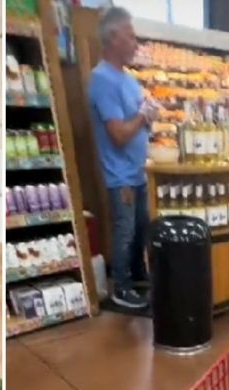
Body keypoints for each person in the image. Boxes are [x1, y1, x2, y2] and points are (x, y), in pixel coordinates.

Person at [88, 6, 159, 310]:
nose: (135, 43)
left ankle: (138, 275)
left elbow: (139, 119)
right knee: (125, 231)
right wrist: (143, 117)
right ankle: (122, 287)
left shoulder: (128, 79)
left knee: (141, 228)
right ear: (113, 37)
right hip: (120, 175)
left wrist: (149, 115)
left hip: (138, 170)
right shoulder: (102, 80)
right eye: (130, 37)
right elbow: (117, 134)